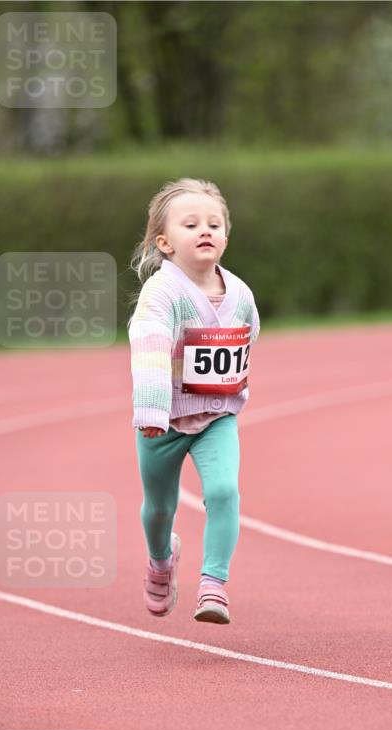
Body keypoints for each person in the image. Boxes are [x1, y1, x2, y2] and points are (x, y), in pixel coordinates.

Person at [128, 177, 260, 625]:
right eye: (190, 224)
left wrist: (232, 384)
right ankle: (161, 561)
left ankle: (213, 585)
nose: (205, 230)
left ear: (226, 235)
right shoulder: (161, 294)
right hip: (161, 421)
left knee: (224, 490)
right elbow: (148, 344)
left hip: (216, 418)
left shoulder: (240, 293)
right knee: (160, 508)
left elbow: (247, 336)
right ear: (165, 242)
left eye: (214, 223)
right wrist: (149, 409)